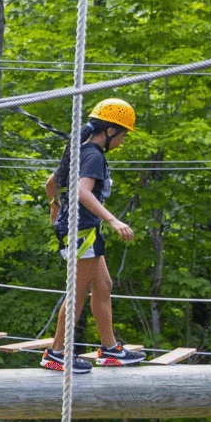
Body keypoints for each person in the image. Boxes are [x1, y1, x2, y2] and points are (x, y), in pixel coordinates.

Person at [41, 97, 143, 373]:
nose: (122, 141)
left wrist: (55, 210)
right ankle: (56, 353)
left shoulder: (81, 151)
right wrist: (112, 219)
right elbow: (81, 190)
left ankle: (110, 349)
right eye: (122, 134)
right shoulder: (93, 155)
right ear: (110, 131)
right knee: (77, 294)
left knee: (104, 285)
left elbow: (52, 183)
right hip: (81, 231)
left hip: (83, 229)